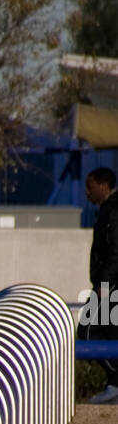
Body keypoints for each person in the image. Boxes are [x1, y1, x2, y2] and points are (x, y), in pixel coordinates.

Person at [83, 166, 118, 403]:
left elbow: (116, 251)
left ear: (103, 186)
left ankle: (116, 380)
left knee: (87, 333)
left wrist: (103, 284)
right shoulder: (107, 209)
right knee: (110, 332)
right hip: (108, 283)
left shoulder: (113, 211)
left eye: (90, 187)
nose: (88, 192)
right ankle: (114, 384)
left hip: (109, 285)